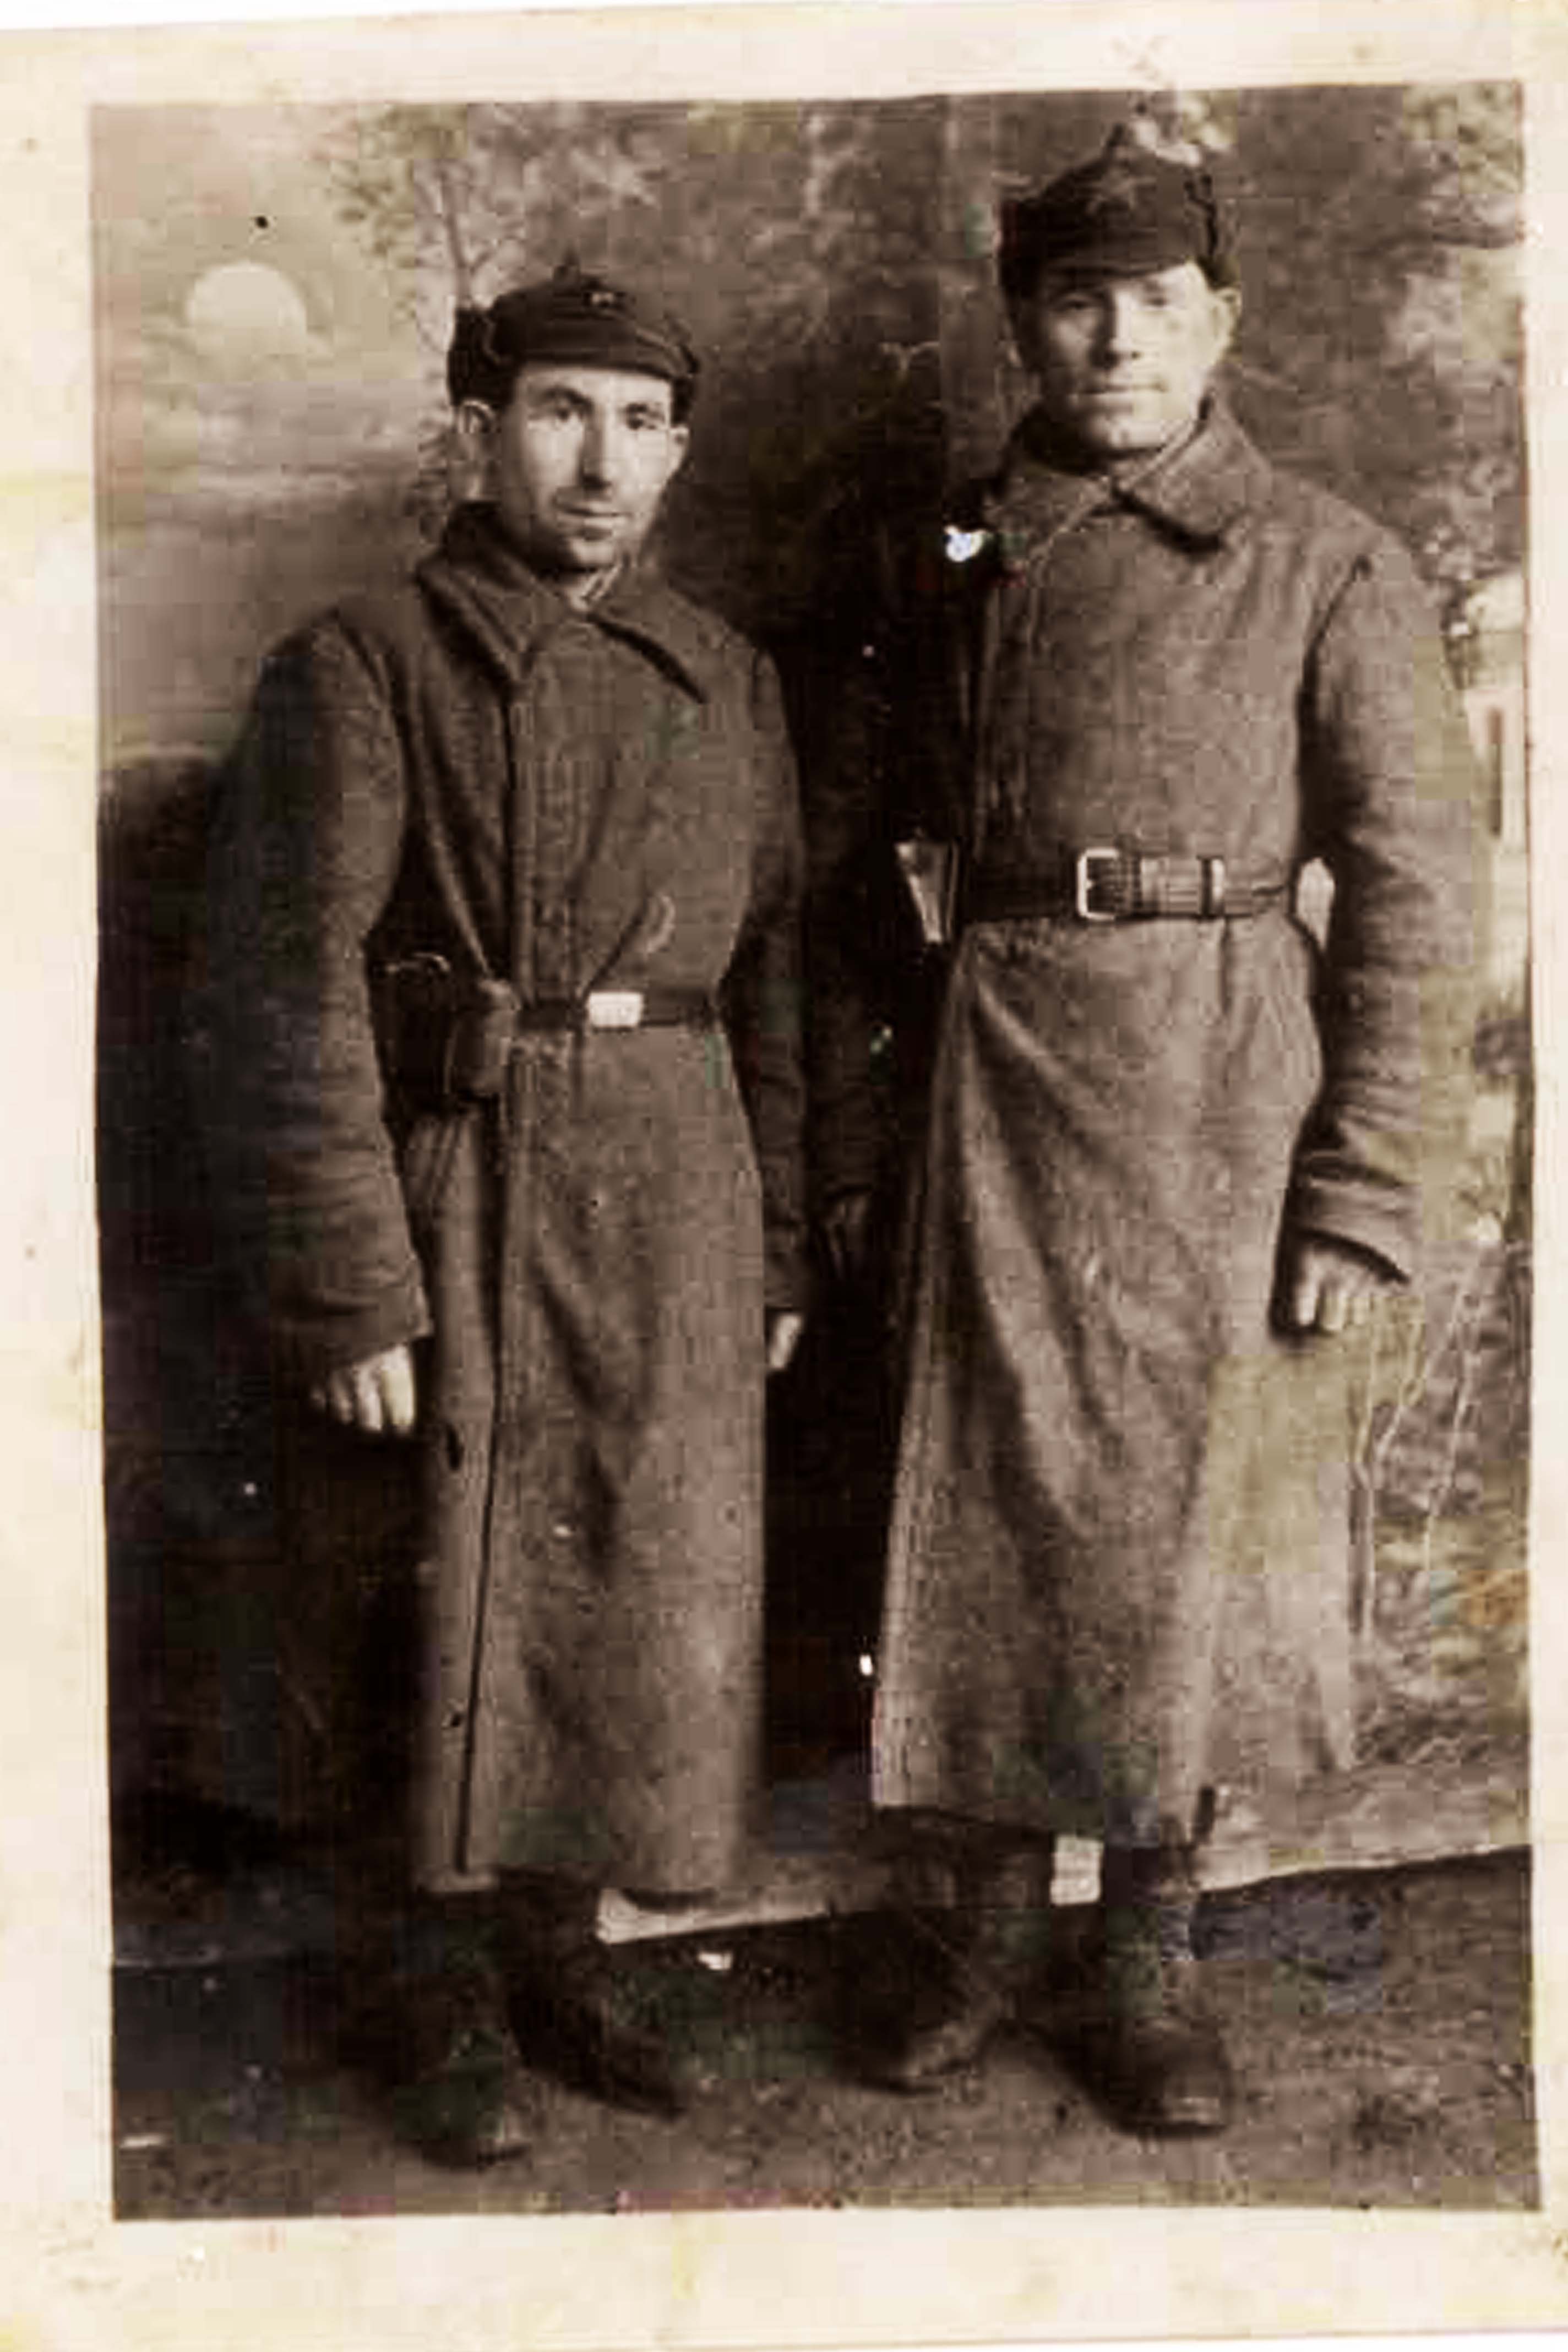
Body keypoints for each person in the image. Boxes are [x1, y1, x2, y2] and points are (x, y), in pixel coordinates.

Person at [811, 124, 1477, 2135]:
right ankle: (983, 1936)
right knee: (999, 1508)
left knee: (1181, 1538)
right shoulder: (953, 552)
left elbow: (1423, 898)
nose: (1117, 341)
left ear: (1221, 324)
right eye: (1076, 302)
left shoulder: (1325, 559)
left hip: (1221, 1097)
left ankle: (1150, 1957)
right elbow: (842, 871)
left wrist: (1361, 1188)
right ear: (1025, 323)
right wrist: (863, 1144)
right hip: (993, 1079)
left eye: (1157, 304)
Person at [197, 261, 807, 2163]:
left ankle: (565, 1954)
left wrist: (782, 1240)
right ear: (480, 432)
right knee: (447, 1594)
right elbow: (281, 992)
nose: (600, 462)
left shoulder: (729, 676)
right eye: (558, 413)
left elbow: (780, 981)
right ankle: (438, 1983)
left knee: (630, 1588)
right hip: (462, 1183)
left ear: (678, 453)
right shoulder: (367, 661)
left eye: (639, 424)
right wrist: (348, 1284)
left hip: (676, 1192)